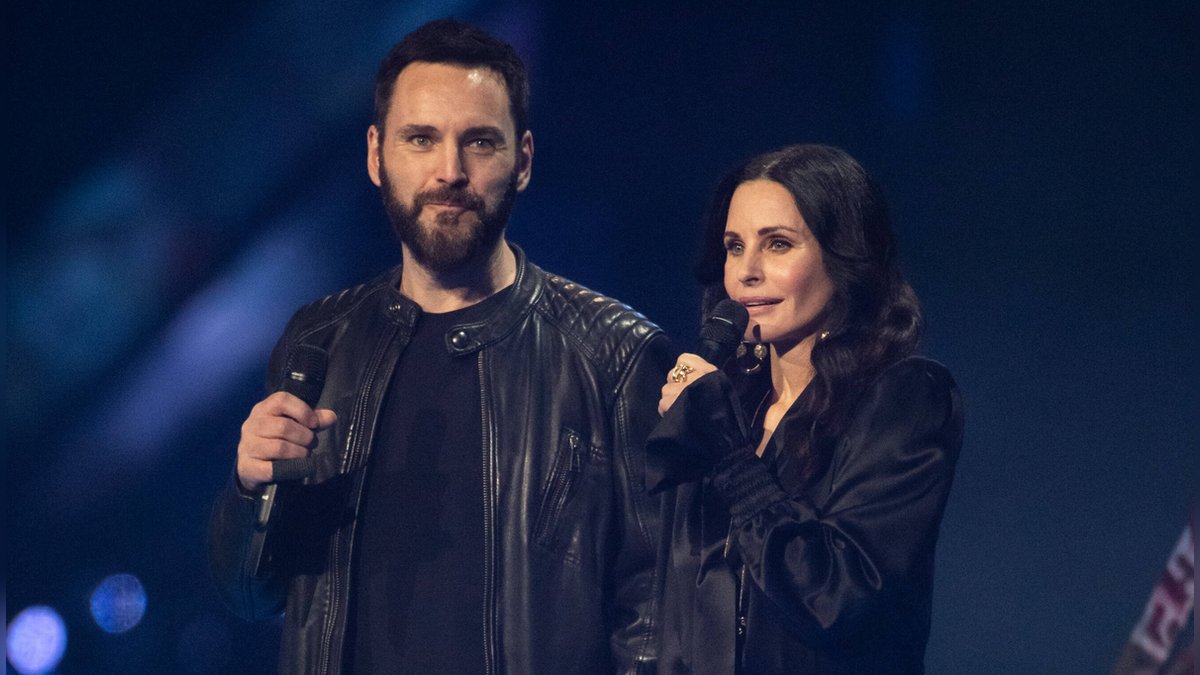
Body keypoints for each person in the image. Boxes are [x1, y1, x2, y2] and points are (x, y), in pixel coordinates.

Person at [207, 19, 673, 674]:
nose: (449, 171)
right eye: (421, 139)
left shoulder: (616, 359)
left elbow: (660, 617)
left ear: (525, 160)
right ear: (376, 155)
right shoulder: (320, 340)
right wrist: (249, 487)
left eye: (478, 142)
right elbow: (252, 595)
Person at [646, 144, 964, 674]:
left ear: (843, 259)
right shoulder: (733, 406)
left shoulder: (905, 400)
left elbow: (839, 598)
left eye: (777, 244)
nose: (746, 271)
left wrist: (730, 459)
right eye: (733, 246)